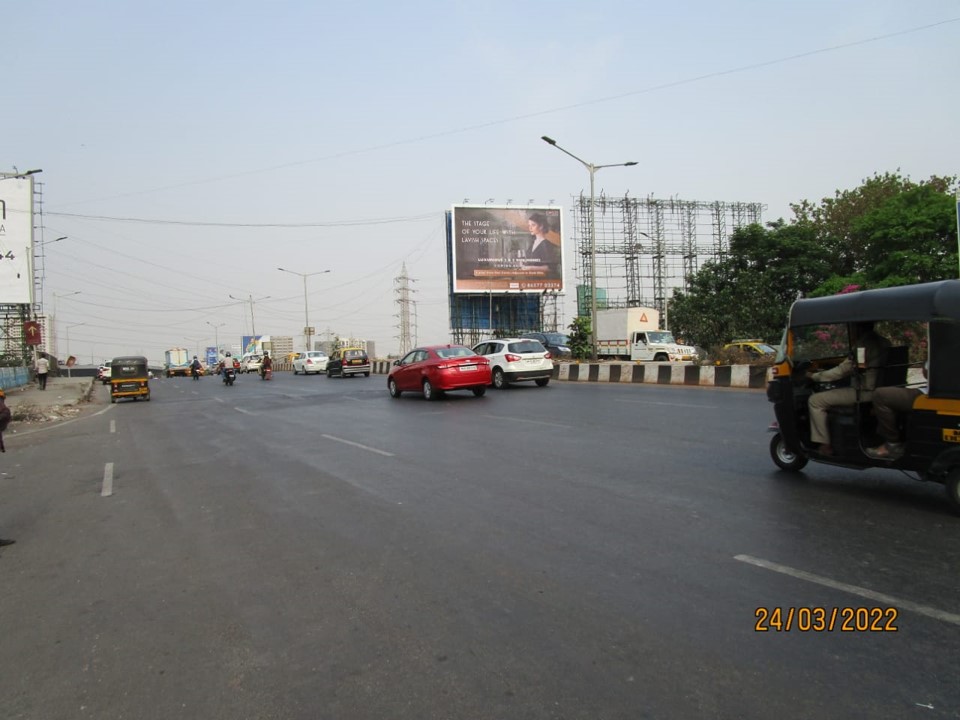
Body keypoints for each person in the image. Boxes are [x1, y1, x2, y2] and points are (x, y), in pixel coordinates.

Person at [805, 321, 890, 456]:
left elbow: (842, 371)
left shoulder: (863, 345)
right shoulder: (885, 342)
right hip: (882, 389)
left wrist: (814, 376)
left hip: (864, 393)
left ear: (856, 327)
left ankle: (825, 445)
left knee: (815, 400)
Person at [865, 361, 928, 460]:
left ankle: (892, 444)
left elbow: (928, 372)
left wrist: (925, 364)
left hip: (929, 393)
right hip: (934, 391)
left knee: (880, 394)